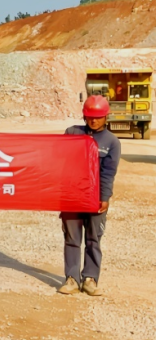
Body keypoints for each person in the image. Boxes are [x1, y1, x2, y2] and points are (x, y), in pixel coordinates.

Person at [58, 95, 120, 297]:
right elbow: (59, 161)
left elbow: (108, 173)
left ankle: (90, 279)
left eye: (98, 117)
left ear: (106, 117)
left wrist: (105, 197)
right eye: (90, 116)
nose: (94, 120)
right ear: (84, 116)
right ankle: (72, 279)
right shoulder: (72, 133)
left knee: (93, 239)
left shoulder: (112, 142)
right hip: (72, 196)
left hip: (95, 199)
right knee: (72, 239)